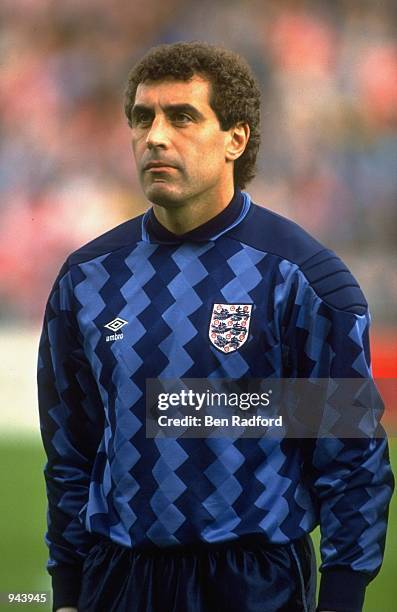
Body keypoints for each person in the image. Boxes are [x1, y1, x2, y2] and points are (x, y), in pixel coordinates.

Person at [37, 42, 394, 612]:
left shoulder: (303, 278)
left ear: (236, 138)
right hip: (118, 579)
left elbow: (351, 459)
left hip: (254, 582)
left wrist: (343, 597)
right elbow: (71, 454)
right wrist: (67, 593)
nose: (155, 135)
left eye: (182, 116)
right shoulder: (87, 280)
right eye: (142, 117)